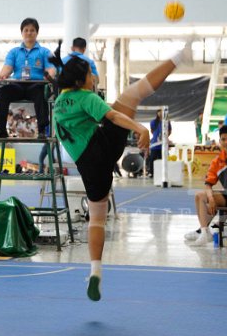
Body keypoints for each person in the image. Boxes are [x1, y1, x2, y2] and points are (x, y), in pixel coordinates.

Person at [52, 40, 190, 301]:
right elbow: (113, 117)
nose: (94, 78)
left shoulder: (59, 102)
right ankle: (178, 57)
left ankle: (95, 270)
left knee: (96, 220)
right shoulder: (85, 97)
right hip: (102, 148)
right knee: (133, 94)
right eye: (91, 74)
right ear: (82, 80)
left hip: (88, 168)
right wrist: (141, 129)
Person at [0, 18, 56, 138]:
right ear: (22, 32)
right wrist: (2, 75)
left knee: (41, 93)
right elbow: (7, 68)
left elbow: (51, 68)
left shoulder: (45, 52)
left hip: (36, 85)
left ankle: (41, 131)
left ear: (37, 33)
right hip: (17, 85)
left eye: (32, 30)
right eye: (26, 30)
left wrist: (50, 75)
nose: (29, 33)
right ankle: (0, 129)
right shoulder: (14, 52)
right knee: (1, 92)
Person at [146, 109, 172, 177]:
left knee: (163, 159)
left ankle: (162, 173)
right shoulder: (153, 122)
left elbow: (169, 131)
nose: (160, 113)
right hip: (155, 144)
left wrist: (165, 137)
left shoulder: (167, 121)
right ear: (157, 113)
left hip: (163, 144)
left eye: (162, 112)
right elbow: (152, 131)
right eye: (159, 112)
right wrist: (156, 136)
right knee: (152, 158)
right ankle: (151, 172)